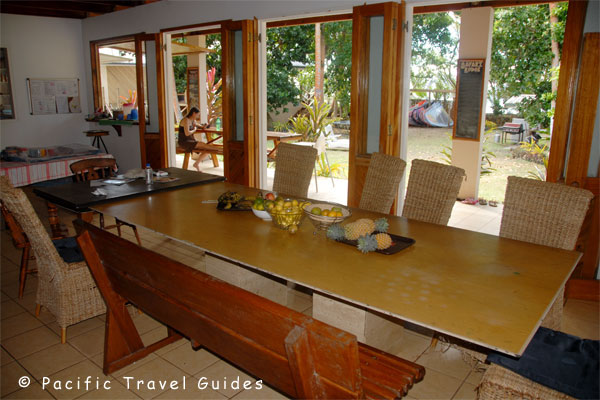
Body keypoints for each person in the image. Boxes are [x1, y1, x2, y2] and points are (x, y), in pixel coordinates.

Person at [178, 107, 219, 171]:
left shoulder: (193, 121)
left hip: (191, 141)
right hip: (184, 142)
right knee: (203, 145)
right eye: (198, 114)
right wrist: (194, 129)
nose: (198, 116)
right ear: (194, 113)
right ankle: (221, 149)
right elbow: (187, 133)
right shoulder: (186, 120)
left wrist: (204, 126)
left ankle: (196, 163)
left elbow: (201, 127)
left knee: (208, 149)